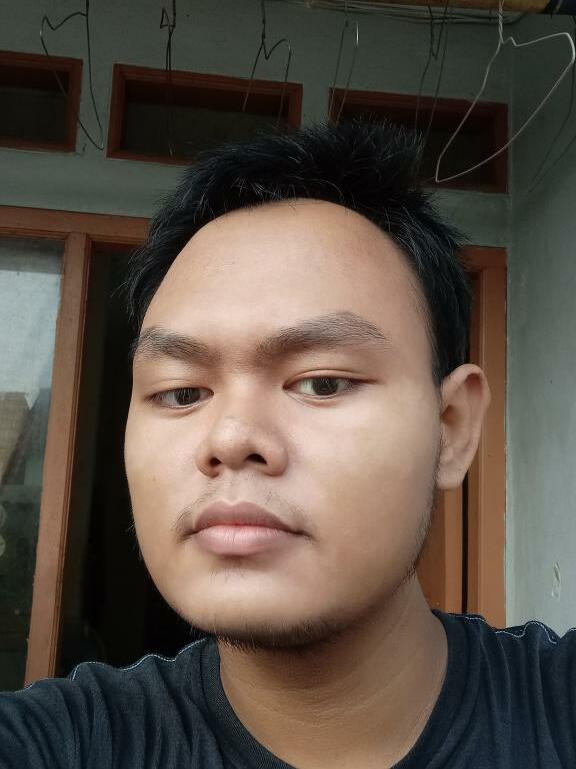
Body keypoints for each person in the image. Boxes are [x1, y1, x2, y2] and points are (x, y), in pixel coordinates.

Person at [0, 119, 574, 769]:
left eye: (322, 382)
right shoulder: (60, 742)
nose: (230, 438)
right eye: (182, 392)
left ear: (451, 428)